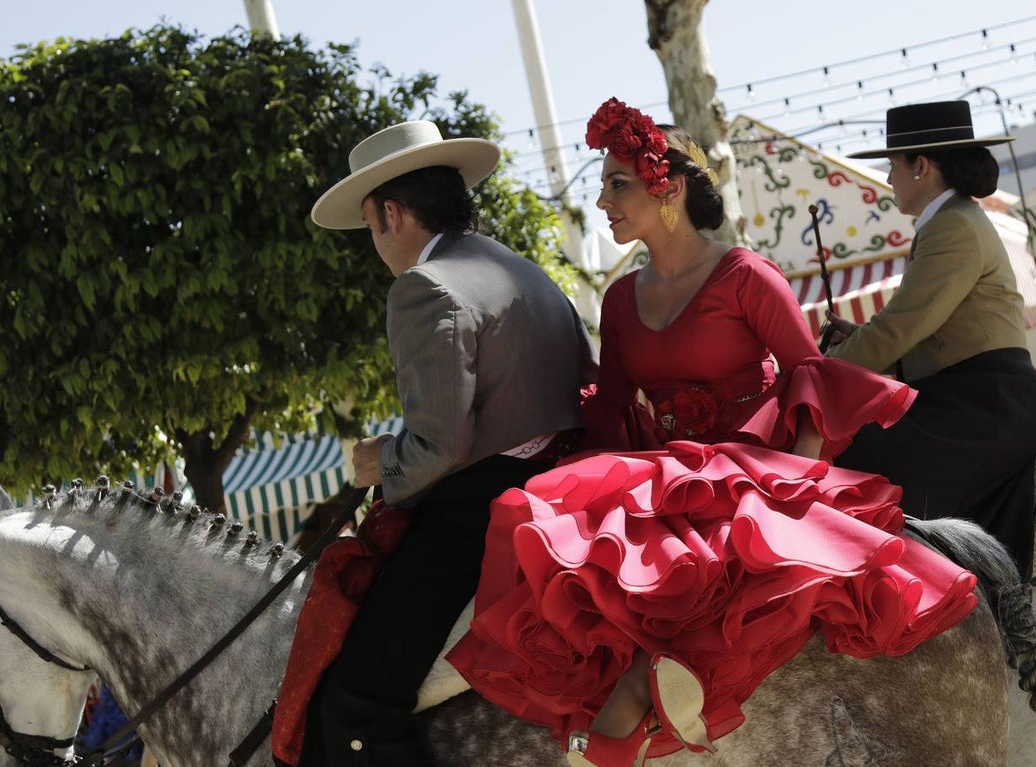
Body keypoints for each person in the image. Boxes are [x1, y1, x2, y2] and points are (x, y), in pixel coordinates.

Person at [446, 98, 979, 767]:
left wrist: (795, 488)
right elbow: (609, 413)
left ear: (667, 188)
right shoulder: (618, 299)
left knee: (721, 553)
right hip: (668, 479)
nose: (603, 201)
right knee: (540, 520)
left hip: (757, 473)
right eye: (603, 186)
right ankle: (620, 711)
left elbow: (810, 377)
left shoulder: (746, 274)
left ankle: (631, 712)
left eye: (618, 184)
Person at [298, 120, 597, 766]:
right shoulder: (527, 270)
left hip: (480, 511)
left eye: (371, 225)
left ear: (391, 214)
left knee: (356, 701)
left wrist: (381, 462)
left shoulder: (424, 285)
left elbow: (439, 446)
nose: (376, 241)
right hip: (571, 486)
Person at [824, 100, 1036, 581]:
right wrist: (856, 341)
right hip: (974, 402)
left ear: (921, 167)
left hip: (984, 408)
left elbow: (899, 328)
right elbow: (916, 332)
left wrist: (821, 368)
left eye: (892, 165)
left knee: (856, 461)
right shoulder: (951, 220)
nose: (889, 178)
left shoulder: (952, 225)